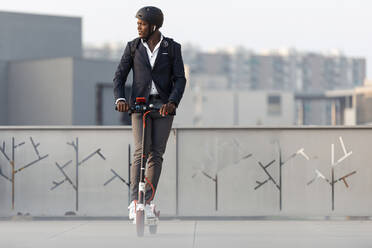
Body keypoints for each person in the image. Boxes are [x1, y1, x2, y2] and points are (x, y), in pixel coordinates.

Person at [113, 6, 186, 222]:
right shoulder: (133, 47)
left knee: (156, 154)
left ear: (154, 26)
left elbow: (180, 79)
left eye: (142, 24)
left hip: (163, 107)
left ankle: (147, 202)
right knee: (140, 153)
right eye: (137, 24)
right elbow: (119, 77)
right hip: (139, 106)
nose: (139, 27)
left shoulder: (171, 48)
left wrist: (172, 102)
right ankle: (135, 201)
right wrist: (120, 99)